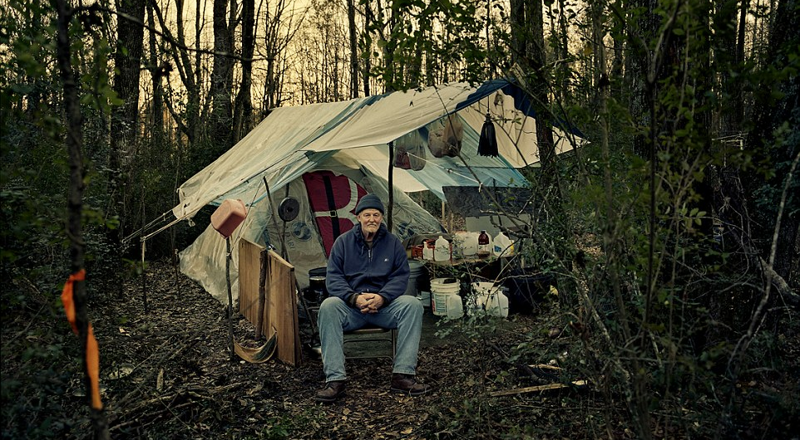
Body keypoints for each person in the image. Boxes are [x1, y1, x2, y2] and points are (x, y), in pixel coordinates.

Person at [315, 194, 429, 402]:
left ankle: (402, 375)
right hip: (352, 309)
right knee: (328, 306)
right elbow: (334, 278)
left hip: (383, 308)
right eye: (367, 214)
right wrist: (353, 298)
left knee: (413, 305)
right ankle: (335, 380)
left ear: (381, 218)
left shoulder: (393, 243)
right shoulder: (343, 243)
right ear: (358, 217)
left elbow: (400, 276)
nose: (372, 219)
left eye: (376, 215)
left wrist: (382, 297)